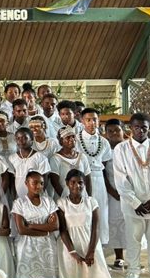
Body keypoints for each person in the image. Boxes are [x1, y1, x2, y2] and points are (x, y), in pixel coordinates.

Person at [113, 113, 150, 278]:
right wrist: (135, 202)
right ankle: (133, 270)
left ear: (149, 128)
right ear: (130, 128)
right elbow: (121, 179)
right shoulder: (121, 149)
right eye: (136, 127)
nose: (140, 131)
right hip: (133, 206)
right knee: (133, 239)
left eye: (144, 127)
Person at [56, 170, 113, 278]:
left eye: (80, 182)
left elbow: (96, 228)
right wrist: (73, 252)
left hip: (90, 243)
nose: (77, 186)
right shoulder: (61, 203)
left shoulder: (91, 202)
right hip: (69, 245)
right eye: (73, 182)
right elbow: (63, 230)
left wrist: (91, 251)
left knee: (95, 276)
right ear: (67, 183)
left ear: (85, 184)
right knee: (72, 276)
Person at [76, 108, 114, 246]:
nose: (92, 123)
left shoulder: (104, 142)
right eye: (88, 120)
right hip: (80, 180)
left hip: (98, 179)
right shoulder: (75, 140)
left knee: (100, 211)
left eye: (95, 119)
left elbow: (104, 163)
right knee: (83, 211)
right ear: (82, 121)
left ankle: (99, 245)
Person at [12, 171, 59, 278]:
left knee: (48, 274)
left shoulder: (48, 201)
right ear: (26, 183)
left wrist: (31, 225)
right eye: (35, 183)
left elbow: (55, 225)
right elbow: (22, 230)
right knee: (27, 275)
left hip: (47, 245)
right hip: (26, 245)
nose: (39, 186)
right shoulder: (19, 203)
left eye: (42, 183)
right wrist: (46, 230)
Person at [103, 118, 126, 268]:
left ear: (123, 131)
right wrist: (111, 191)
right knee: (115, 223)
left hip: (130, 191)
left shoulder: (129, 147)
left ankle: (134, 256)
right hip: (112, 192)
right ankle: (119, 256)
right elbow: (102, 172)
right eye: (110, 131)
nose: (114, 134)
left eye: (117, 130)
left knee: (130, 224)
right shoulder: (105, 149)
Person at [7, 128, 51, 200]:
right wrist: (14, 197)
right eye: (18, 138)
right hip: (19, 197)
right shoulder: (12, 158)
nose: (21, 141)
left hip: (37, 196)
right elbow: (11, 180)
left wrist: (38, 193)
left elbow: (45, 177)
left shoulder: (40, 157)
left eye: (25, 138)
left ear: (31, 140)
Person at [50, 126, 92, 198]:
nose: (72, 139)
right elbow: (55, 183)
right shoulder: (55, 158)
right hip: (63, 198)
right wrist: (67, 200)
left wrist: (89, 198)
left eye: (73, 136)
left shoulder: (82, 157)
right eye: (68, 137)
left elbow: (88, 179)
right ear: (61, 141)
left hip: (82, 197)